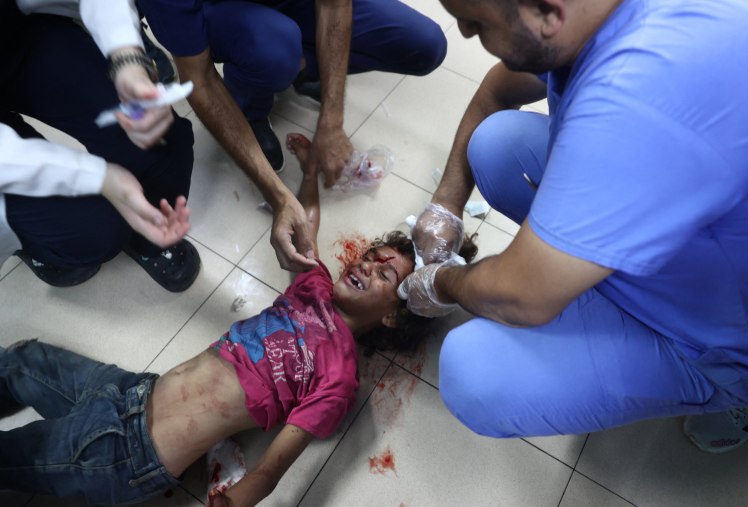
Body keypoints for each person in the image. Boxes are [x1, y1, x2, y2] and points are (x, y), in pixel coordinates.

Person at [0, 133, 477, 506]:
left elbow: (274, 466)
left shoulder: (339, 377)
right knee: (22, 360)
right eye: (370, 255)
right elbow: (305, 224)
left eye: (384, 273)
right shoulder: (312, 287)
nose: (365, 264)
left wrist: (246, 494)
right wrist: (309, 173)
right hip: (133, 390)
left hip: (127, 451)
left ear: (395, 315)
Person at [399, 0, 748, 454]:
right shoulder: (596, 15)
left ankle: (738, 391)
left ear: (548, 12)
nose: (468, 36)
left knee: (474, 373)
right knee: (496, 144)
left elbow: (520, 296)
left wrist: (442, 281)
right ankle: (585, 277)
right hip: (688, 236)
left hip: (722, 325)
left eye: (476, 24)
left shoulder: (639, 97)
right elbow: (496, 91)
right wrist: (448, 202)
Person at [137, 0, 447, 271]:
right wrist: (279, 196)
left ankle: (301, 66)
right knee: (274, 48)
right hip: (218, 9)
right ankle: (251, 104)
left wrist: (332, 120)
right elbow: (199, 78)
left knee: (425, 44)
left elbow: (335, 4)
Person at [1, 0, 199, 291]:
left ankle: (147, 232)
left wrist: (127, 59)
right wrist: (97, 176)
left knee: (161, 142)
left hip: (15, 37)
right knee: (91, 231)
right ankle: (35, 246)